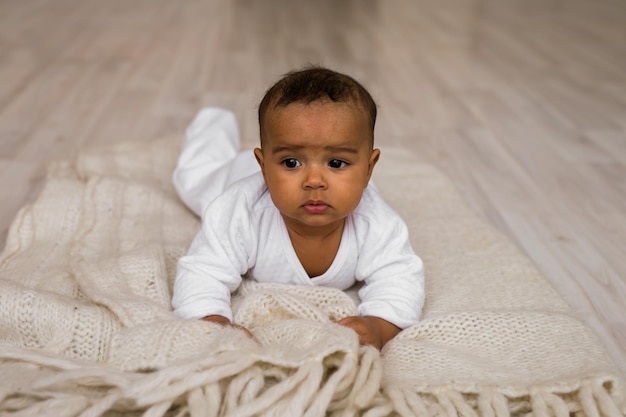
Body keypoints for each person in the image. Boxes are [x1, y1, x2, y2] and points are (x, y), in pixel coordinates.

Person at [171, 67, 424, 349]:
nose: (314, 181)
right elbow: (202, 271)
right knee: (193, 177)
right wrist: (212, 318)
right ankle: (213, 123)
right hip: (233, 175)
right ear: (265, 167)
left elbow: (400, 278)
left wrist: (379, 325)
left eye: (336, 163)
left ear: (368, 169)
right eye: (291, 162)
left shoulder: (376, 222)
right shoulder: (240, 210)